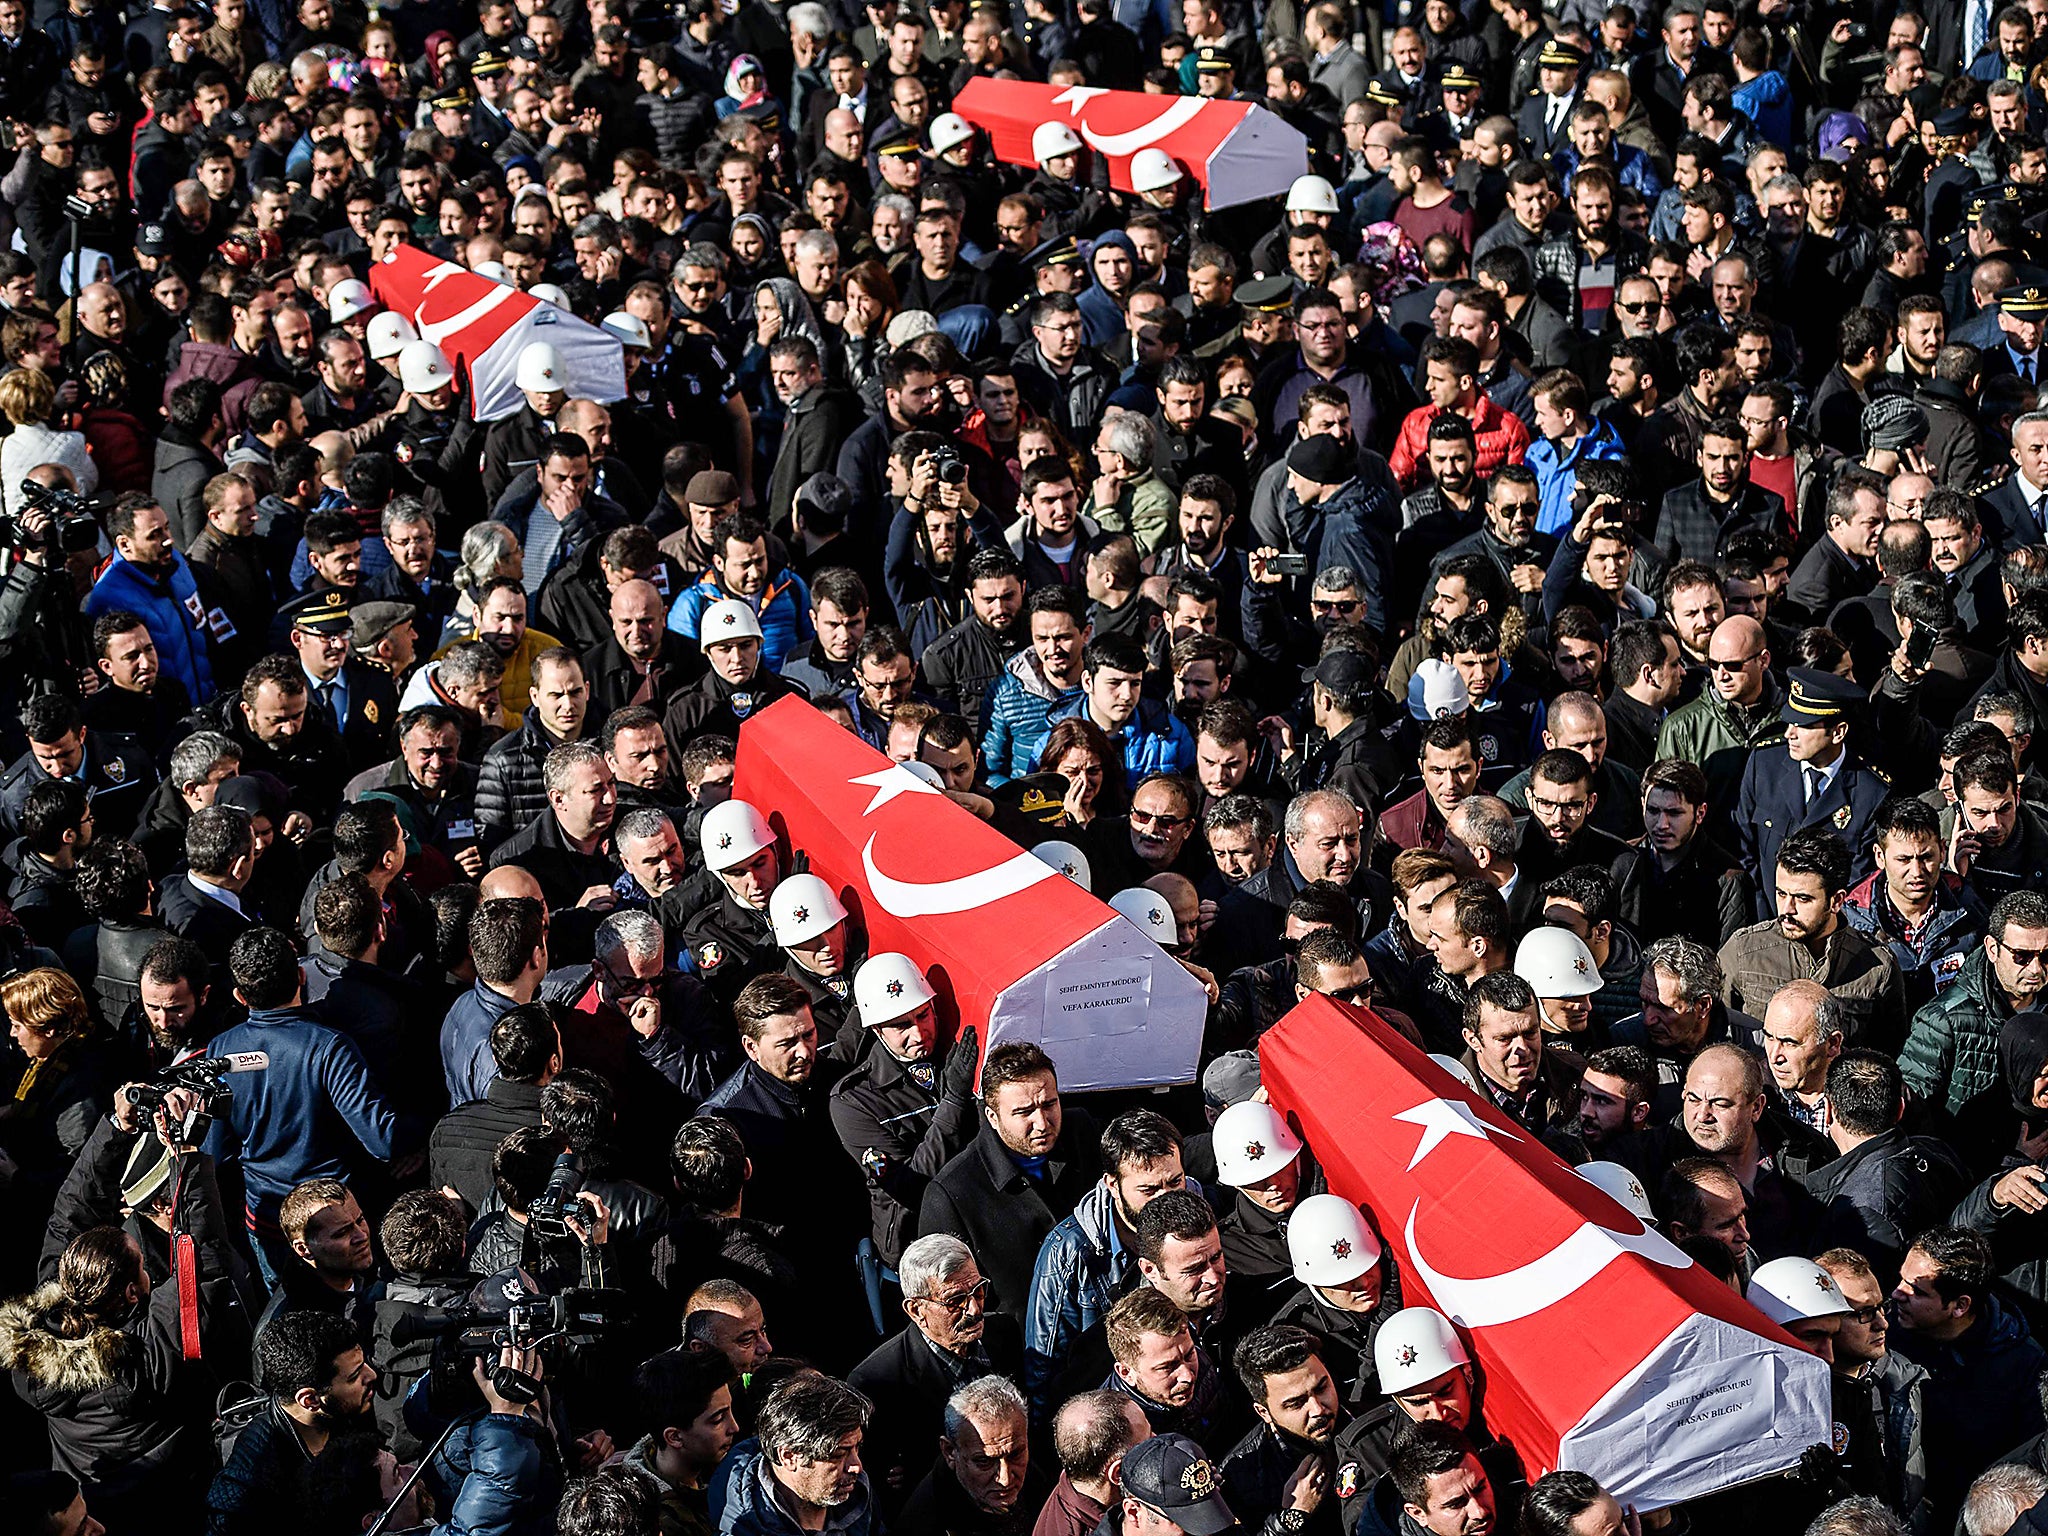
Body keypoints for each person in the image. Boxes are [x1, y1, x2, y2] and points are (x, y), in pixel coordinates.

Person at [920, 1041, 1101, 1319]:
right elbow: (948, 1303)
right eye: (1024, 1112)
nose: (1042, 1123)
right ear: (992, 1116)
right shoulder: (952, 1194)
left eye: (1049, 1104)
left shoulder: (1082, 1132)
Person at [848, 1235, 1025, 1509]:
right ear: (916, 1309)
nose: (975, 1309)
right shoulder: (877, 1380)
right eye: (955, 1301)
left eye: (978, 1290)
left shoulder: (1004, 1335)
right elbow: (880, 1485)